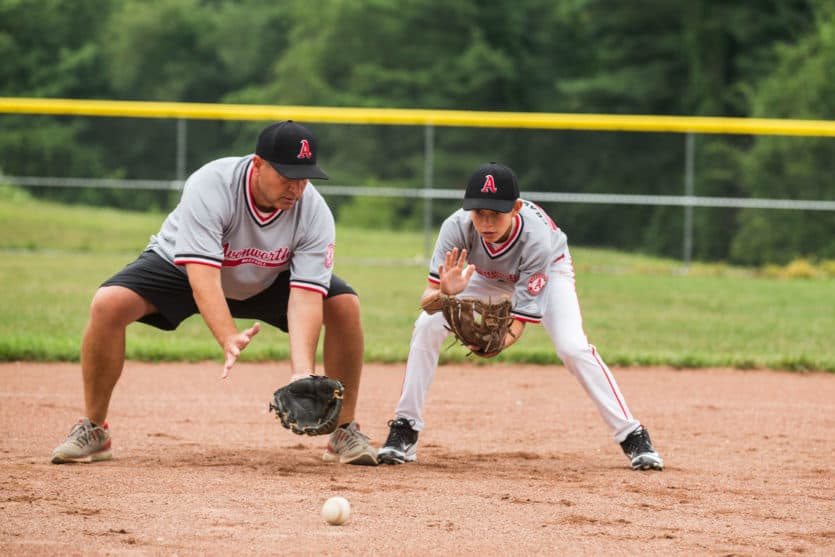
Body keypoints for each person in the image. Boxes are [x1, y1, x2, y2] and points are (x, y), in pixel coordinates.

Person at [51, 120, 377, 466]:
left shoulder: (314, 212)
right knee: (108, 304)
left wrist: (302, 372)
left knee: (344, 305)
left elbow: (307, 295)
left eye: (304, 177)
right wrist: (227, 336)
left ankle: (343, 431)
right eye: (286, 175)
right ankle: (94, 429)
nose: (296, 188)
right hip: (183, 268)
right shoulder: (212, 185)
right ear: (258, 165)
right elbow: (203, 278)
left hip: (269, 278)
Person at [377, 162, 664, 471]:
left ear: (515, 208)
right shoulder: (455, 227)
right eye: (478, 214)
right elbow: (426, 302)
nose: (485, 223)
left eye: (495, 214)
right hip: (480, 275)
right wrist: (445, 295)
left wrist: (493, 346)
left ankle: (632, 434)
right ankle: (405, 428)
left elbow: (519, 323)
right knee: (427, 325)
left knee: (572, 347)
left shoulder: (536, 238)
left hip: (548, 270)